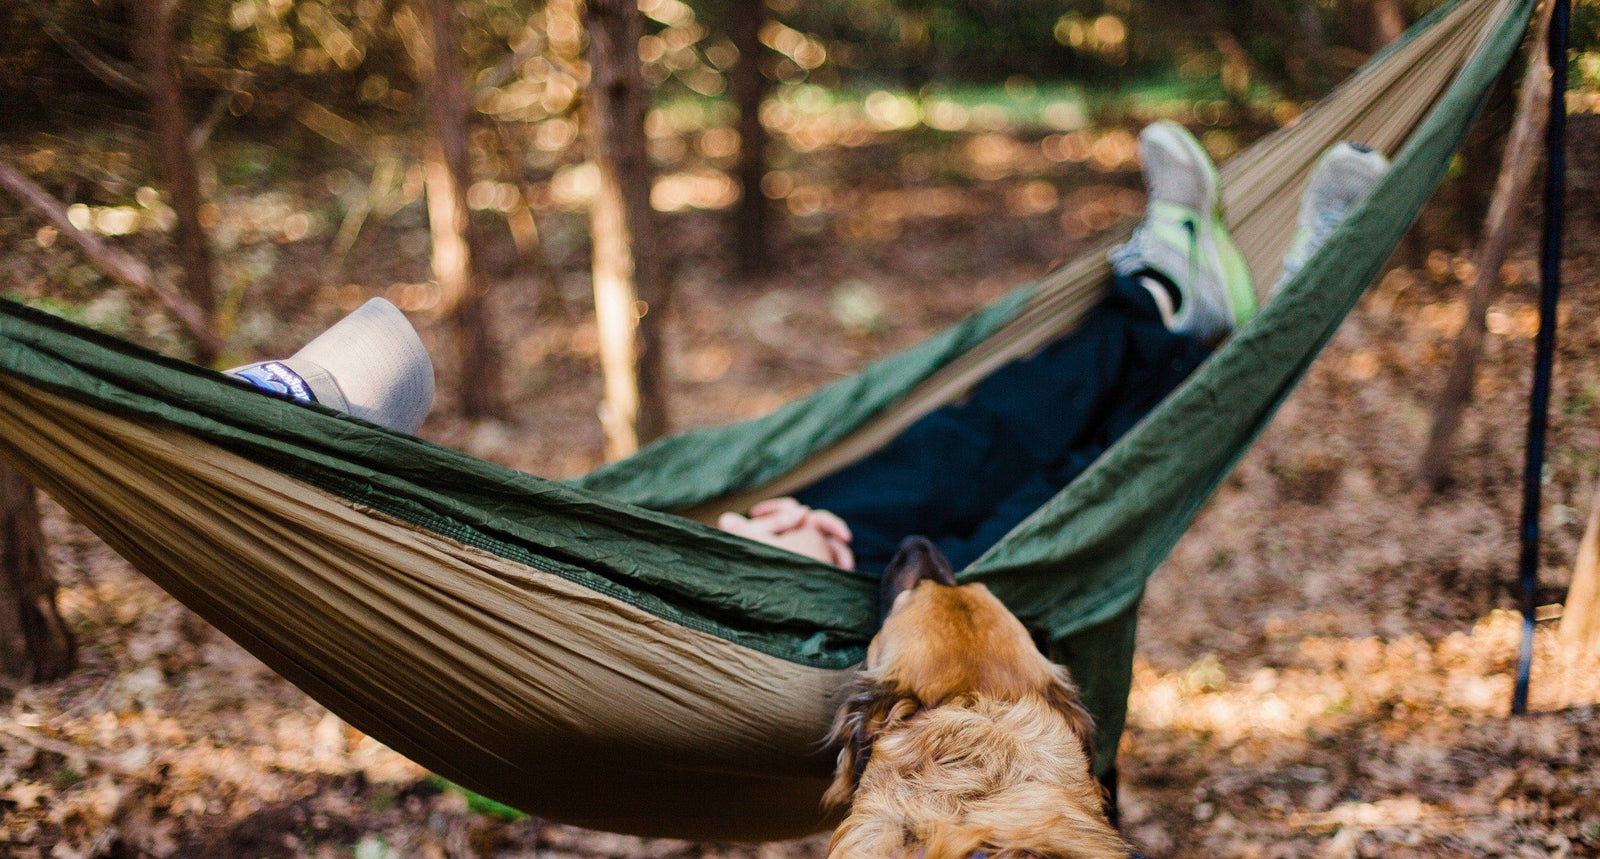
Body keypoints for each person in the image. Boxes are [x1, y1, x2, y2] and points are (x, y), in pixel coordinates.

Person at [230, 124, 1388, 574]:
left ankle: (1158, 298)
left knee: (984, 423)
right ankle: (1280, 307)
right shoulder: (425, 579)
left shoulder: (457, 538)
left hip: (791, 551)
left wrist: (762, 529)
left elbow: (589, 559)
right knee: (1079, 489)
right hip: (855, 613)